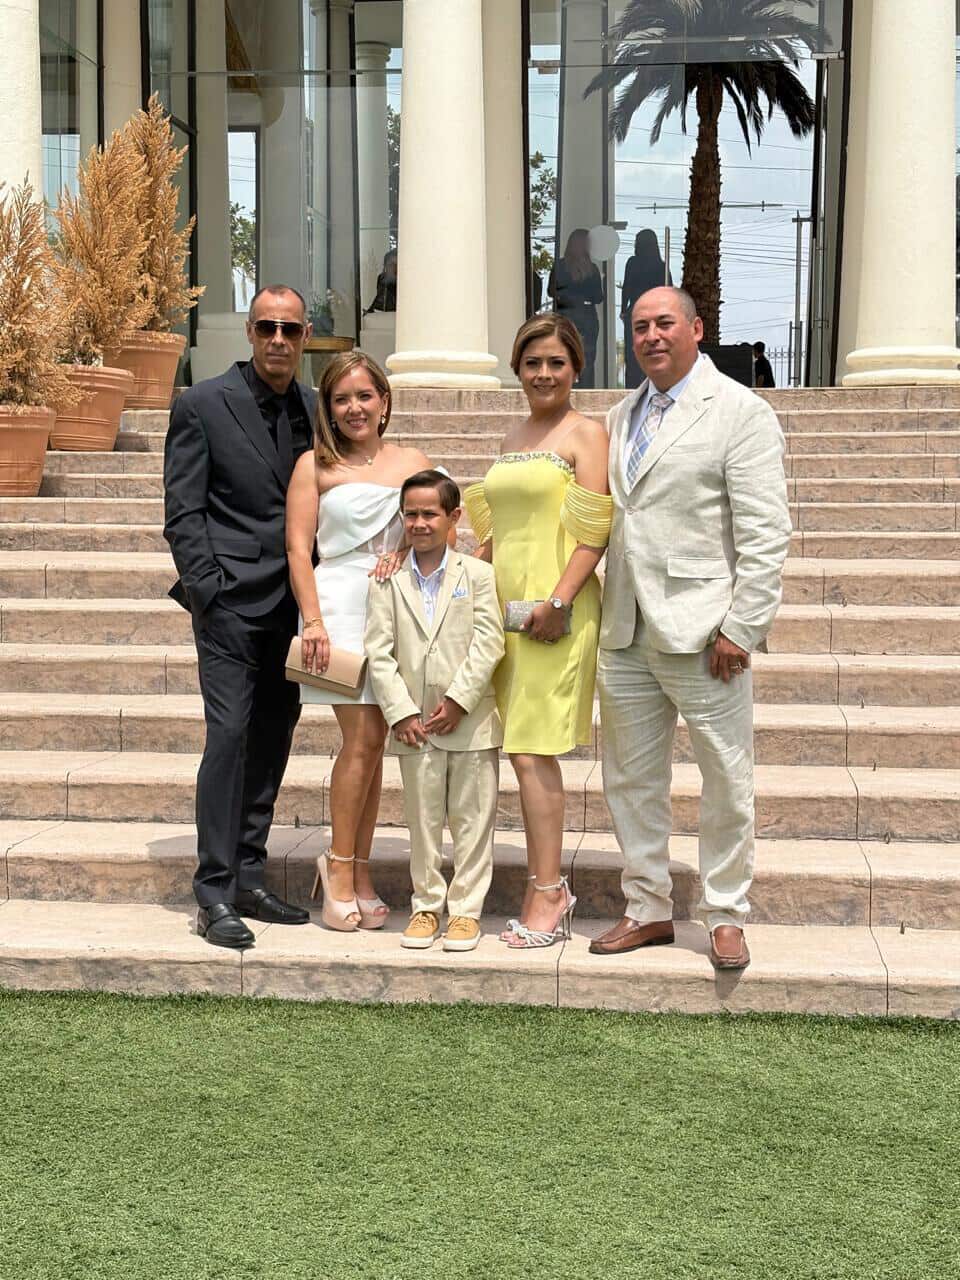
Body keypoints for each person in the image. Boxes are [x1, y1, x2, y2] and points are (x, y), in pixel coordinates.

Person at [592, 286, 792, 970]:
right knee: (629, 779)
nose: (650, 336)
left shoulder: (741, 411)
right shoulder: (619, 414)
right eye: (639, 326)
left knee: (726, 779)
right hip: (624, 629)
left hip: (708, 635)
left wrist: (743, 625)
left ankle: (726, 912)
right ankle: (647, 906)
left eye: (664, 323)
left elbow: (766, 532)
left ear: (697, 329)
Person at [163, 284, 317, 949]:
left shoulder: (316, 408)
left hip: (293, 606)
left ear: (305, 336)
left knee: (273, 737)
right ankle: (214, 892)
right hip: (228, 603)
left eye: (291, 329)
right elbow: (183, 511)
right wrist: (209, 591)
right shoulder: (201, 404)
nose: (278, 339)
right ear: (250, 332)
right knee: (228, 738)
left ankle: (250, 877)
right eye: (267, 327)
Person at [464, 314, 613, 949]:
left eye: (556, 362)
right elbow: (498, 534)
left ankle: (549, 892)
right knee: (517, 749)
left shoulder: (588, 433)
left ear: (576, 367)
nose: (544, 374)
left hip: (556, 611)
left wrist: (558, 600)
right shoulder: (513, 435)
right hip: (503, 611)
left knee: (530, 750)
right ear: (516, 369)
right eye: (533, 363)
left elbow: (595, 532)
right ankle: (542, 886)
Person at [285, 350, 433, 932]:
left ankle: (358, 870)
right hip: (338, 607)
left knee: (378, 743)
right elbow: (299, 549)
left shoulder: (414, 462)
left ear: (384, 401)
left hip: (396, 606)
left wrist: (405, 548)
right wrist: (313, 621)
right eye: (341, 398)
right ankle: (340, 869)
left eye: (364, 395)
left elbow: (441, 526)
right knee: (362, 739)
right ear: (327, 407)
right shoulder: (313, 465)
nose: (354, 408)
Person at [365, 470, 505, 953]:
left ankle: (466, 911)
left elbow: (489, 641)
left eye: (430, 513)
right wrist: (400, 712)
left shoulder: (478, 575)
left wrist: (461, 699)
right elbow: (378, 651)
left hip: (470, 720)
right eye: (411, 514)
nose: (419, 523)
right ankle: (426, 905)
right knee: (422, 822)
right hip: (415, 726)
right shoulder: (387, 579)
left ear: (453, 517)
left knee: (472, 820)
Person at [547, 229, 604, 388]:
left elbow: (551, 291)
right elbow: (598, 297)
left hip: (567, 314)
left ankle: (566, 388)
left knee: (566, 355)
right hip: (582, 315)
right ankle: (584, 389)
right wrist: (582, 296)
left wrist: (567, 296)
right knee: (586, 357)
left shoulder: (561, 265)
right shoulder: (591, 268)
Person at [621, 230, 672, 389]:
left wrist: (623, 309)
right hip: (656, 314)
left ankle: (633, 388)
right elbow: (669, 290)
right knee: (655, 352)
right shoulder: (661, 266)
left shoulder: (633, 263)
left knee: (633, 355)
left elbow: (626, 287)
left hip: (636, 311)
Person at [364, 249, 397, 314]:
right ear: (385, 266)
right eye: (391, 264)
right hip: (383, 315)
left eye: (396, 264)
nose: (394, 268)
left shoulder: (401, 281)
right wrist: (370, 310)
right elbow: (379, 296)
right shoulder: (381, 278)